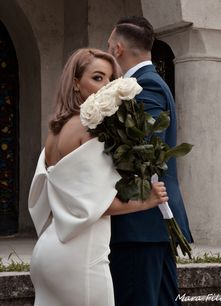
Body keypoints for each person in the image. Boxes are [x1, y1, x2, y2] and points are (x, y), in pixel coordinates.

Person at [28, 48, 169, 306]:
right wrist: (147, 200)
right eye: (97, 78)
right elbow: (95, 205)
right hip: (82, 258)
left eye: (110, 79)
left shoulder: (54, 132)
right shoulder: (90, 131)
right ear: (75, 84)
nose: (106, 86)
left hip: (47, 254)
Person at [108, 16, 193, 306]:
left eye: (109, 46)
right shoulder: (148, 81)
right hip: (150, 224)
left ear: (118, 48)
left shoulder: (146, 85)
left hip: (141, 221)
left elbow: (148, 147)